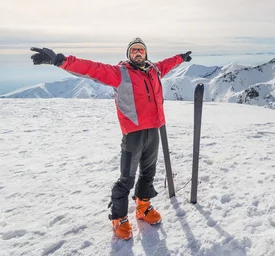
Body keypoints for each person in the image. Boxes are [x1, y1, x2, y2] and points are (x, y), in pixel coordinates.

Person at [30, 38, 192, 240]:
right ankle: (119, 218)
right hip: (133, 132)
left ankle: (143, 207)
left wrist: (181, 58)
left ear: (146, 53)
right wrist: (61, 60)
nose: (138, 53)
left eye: (141, 50)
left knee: (148, 172)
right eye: (134, 51)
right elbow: (92, 69)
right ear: (129, 55)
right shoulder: (120, 73)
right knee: (127, 178)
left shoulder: (154, 70)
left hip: (154, 129)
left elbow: (168, 63)